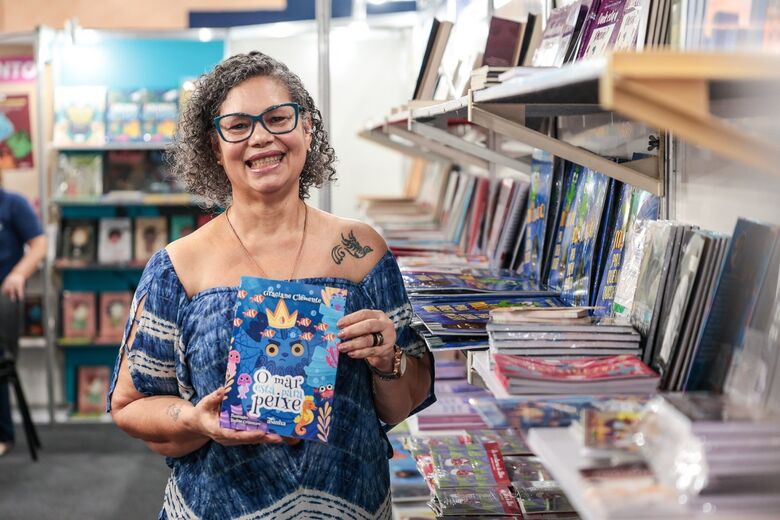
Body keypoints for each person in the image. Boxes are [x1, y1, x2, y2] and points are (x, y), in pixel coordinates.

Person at [108, 51, 435, 519]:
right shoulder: (178, 267)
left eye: (279, 118)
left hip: (353, 504)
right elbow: (130, 405)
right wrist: (198, 421)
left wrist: (390, 359)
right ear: (215, 146)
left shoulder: (363, 253)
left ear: (307, 128)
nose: (261, 137)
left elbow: (403, 404)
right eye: (238, 126)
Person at [0, 179, 47, 457]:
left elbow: (39, 245)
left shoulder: (13, 204)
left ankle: (3, 433)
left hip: (4, 294)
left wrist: (18, 273)